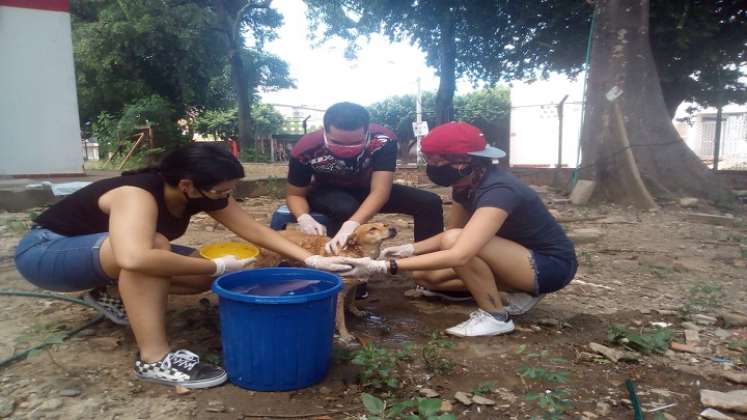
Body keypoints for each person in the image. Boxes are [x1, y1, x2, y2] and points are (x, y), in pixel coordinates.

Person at [14, 143, 350, 388]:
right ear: (187, 185)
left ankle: (109, 291)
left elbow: (254, 230)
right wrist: (217, 268)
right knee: (155, 251)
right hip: (47, 254)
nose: (225, 197)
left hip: (98, 253)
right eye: (221, 191)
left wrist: (312, 258)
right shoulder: (137, 195)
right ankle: (155, 360)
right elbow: (134, 257)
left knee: (193, 273)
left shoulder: (201, 191)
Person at [338, 122, 578, 337]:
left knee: (455, 245)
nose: (431, 166)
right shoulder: (464, 185)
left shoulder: (499, 190)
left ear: (464, 161)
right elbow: (451, 234)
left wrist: (385, 266)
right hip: (513, 258)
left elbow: (458, 250)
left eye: (436, 160)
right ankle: (519, 292)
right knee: (425, 277)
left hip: (549, 266)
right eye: (429, 159)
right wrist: (409, 249)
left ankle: (496, 317)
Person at [286, 102, 443, 252]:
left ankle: (428, 267)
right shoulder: (306, 149)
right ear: (324, 131)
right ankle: (345, 267)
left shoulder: (383, 140)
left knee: (429, 202)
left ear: (367, 131)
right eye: (337, 142)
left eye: (356, 142)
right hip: (326, 191)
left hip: (368, 188)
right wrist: (303, 217)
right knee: (345, 208)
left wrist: (352, 224)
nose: (346, 149)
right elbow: (295, 194)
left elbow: (380, 191)